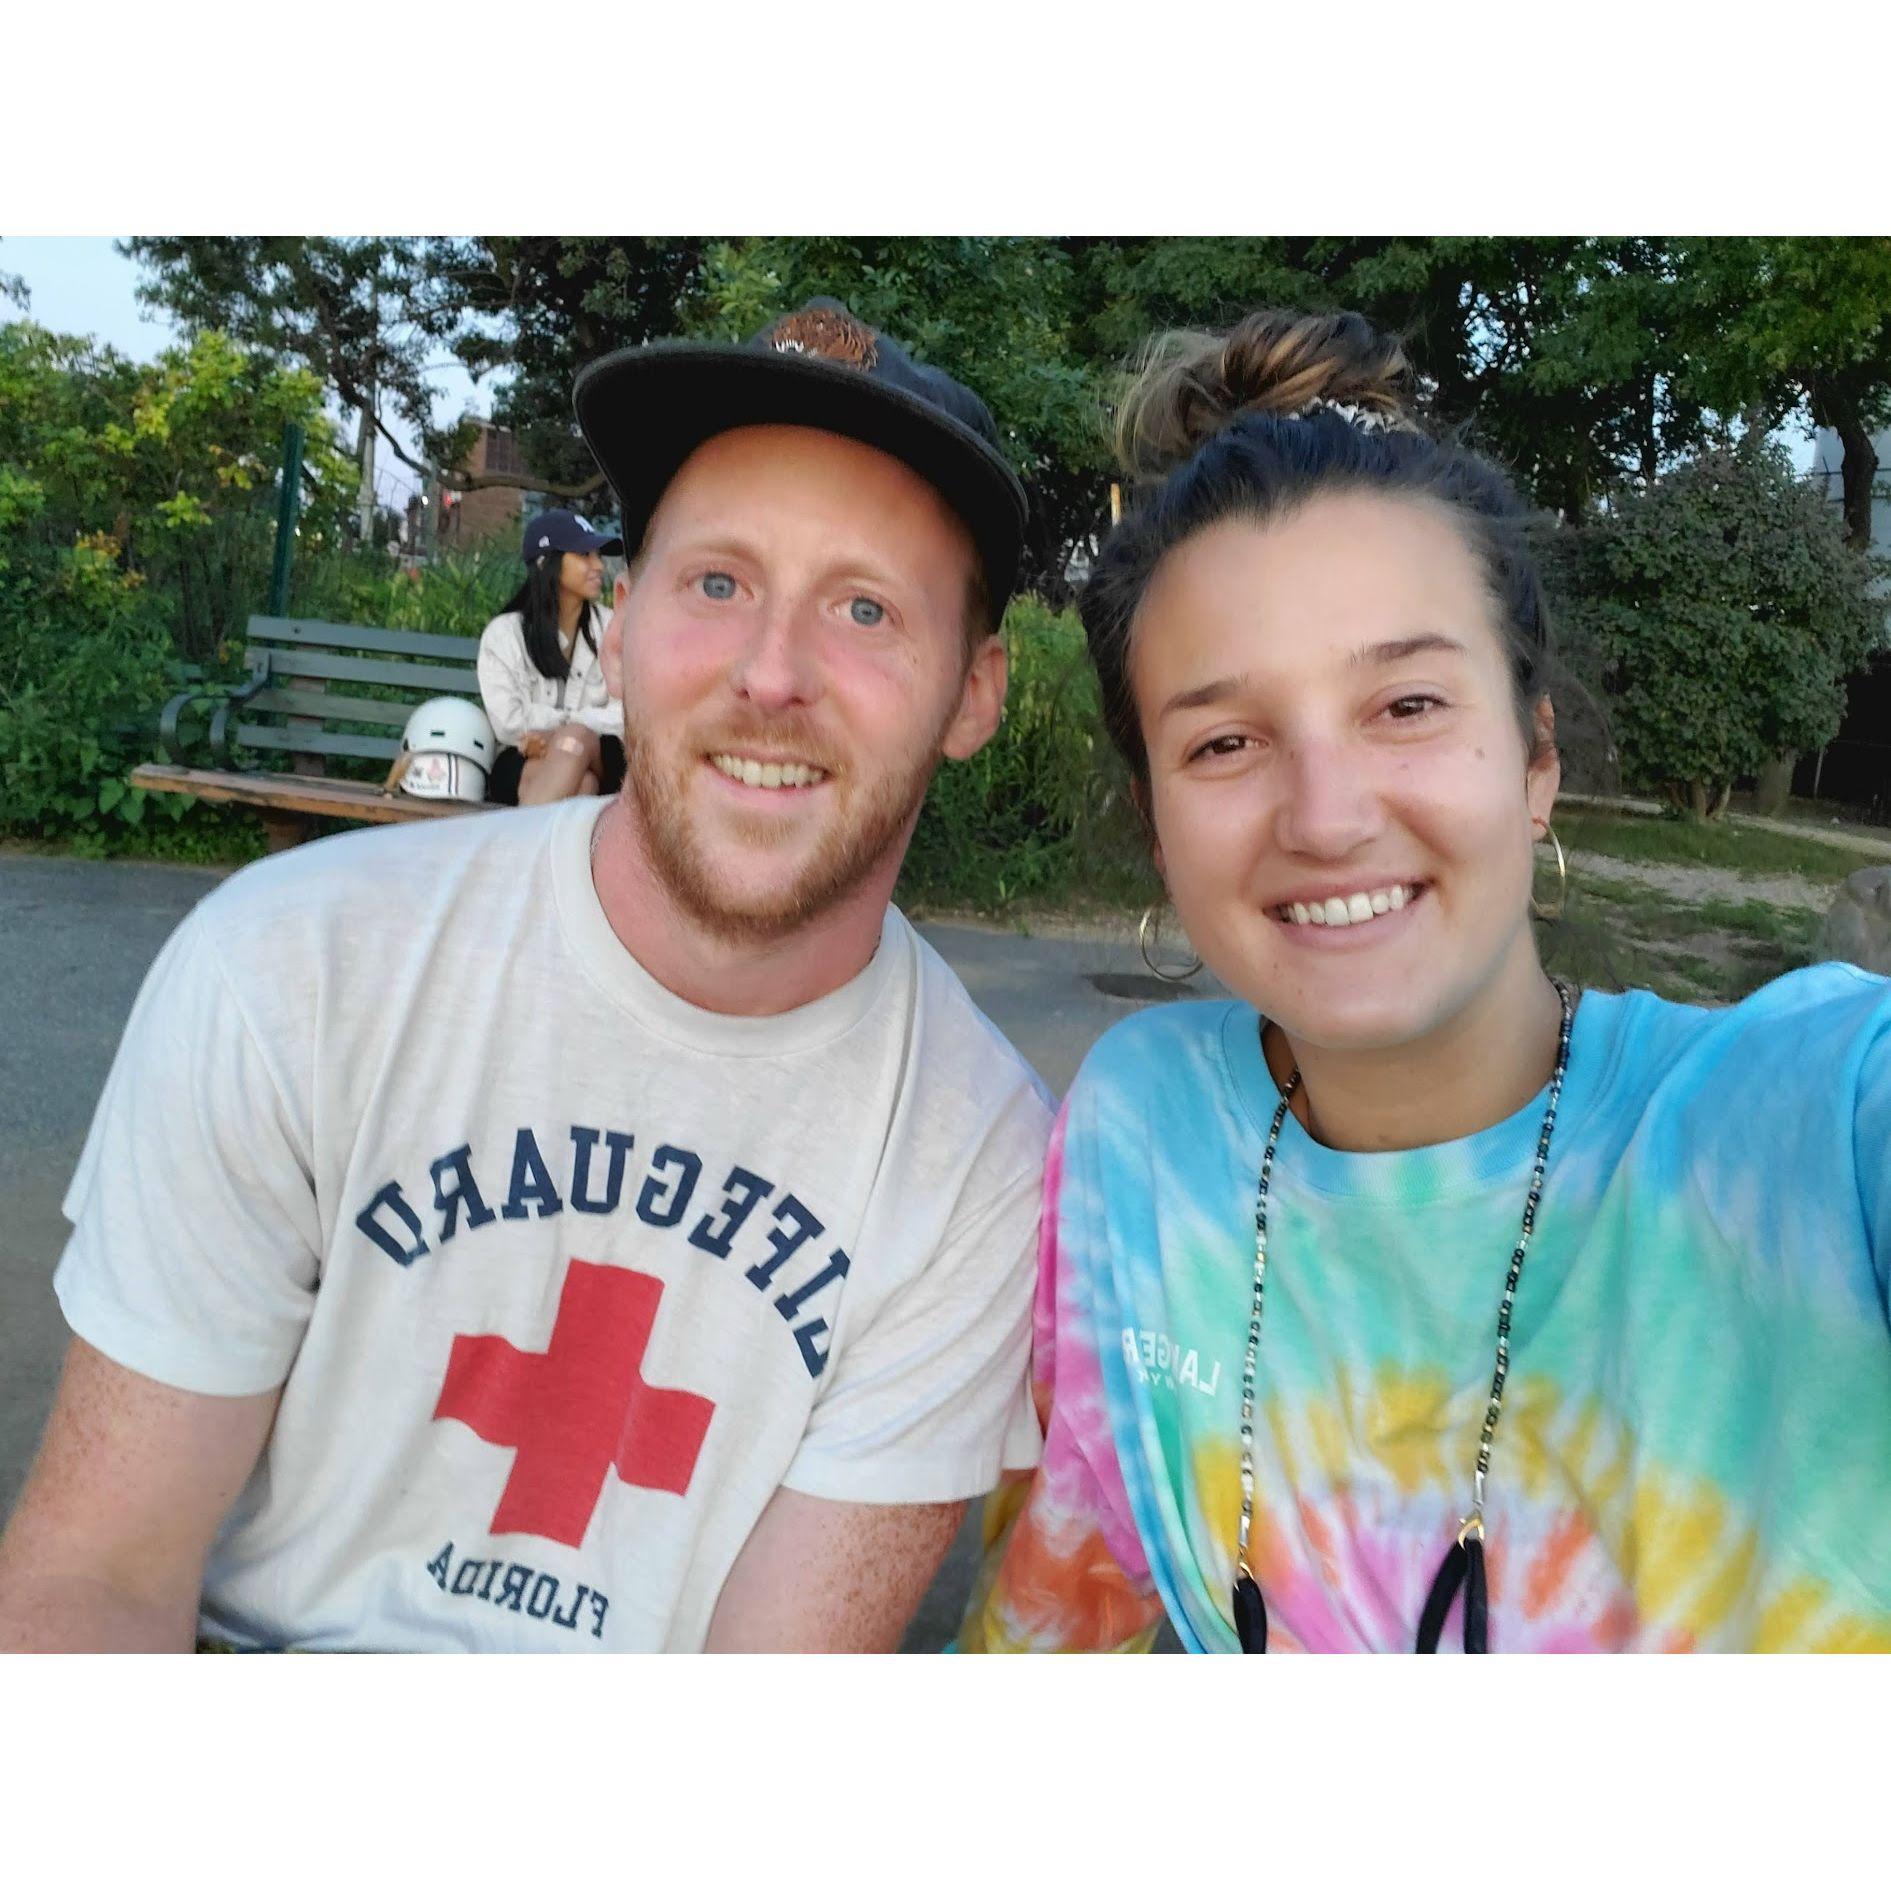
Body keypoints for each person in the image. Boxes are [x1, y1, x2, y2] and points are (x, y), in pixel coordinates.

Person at [0, 298, 1053, 1653]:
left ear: (973, 693)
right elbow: (93, 1570)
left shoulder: (980, 1164)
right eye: (716, 582)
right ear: (617, 627)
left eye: (863, 606)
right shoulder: (289, 970)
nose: (770, 673)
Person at [961, 309, 1891, 1654]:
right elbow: (1053, 1618)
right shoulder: (1141, 1133)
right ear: (1157, 819)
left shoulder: (1801, 1124)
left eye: (1403, 705)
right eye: (1224, 738)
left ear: (1532, 756)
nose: (1325, 815)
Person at [476, 508, 627, 805]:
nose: (598, 566)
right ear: (548, 562)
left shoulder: (614, 629)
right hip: (523, 758)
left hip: (601, 755)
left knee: (578, 738)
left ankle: (516, 849)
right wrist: (564, 733)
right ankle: (540, 848)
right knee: (582, 784)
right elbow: (508, 722)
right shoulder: (505, 634)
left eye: (597, 555)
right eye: (584, 555)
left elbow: (627, 712)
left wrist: (562, 730)